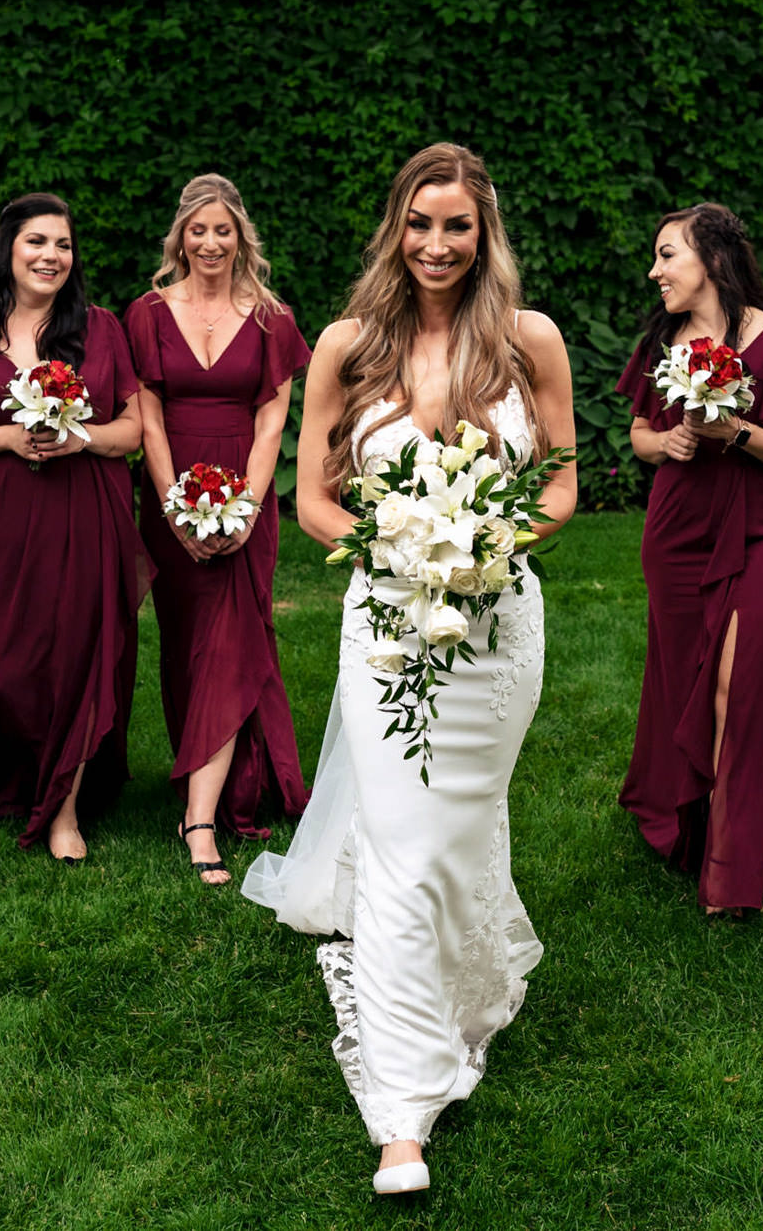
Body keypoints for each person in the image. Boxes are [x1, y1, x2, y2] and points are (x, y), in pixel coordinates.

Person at [242, 143, 576, 1195]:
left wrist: (490, 546)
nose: (437, 245)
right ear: (395, 228)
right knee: (397, 843)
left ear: (485, 235)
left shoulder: (529, 341)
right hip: (387, 620)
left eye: (458, 226)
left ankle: (463, 988)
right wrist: (399, 548)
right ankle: (400, 1112)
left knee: (458, 829)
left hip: (496, 629)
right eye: (420, 224)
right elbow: (313, 502)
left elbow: (561, 488)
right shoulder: (347, 343)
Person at [0, 193, 147, 864]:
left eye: (63, 245)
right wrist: (7, 438)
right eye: (36, 243)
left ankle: (64, 808)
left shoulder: (100, 330)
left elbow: (130, 429)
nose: (51, 257)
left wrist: (81, 440)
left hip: (81, 514)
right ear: (8, 250)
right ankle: (7, 773)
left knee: (76, 652)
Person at [617, 203, 763, 917]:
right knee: (683, 679)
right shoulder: (662, 341)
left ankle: (732, 871)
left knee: (739, 687)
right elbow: (640, 431)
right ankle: (680, 810)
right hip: (677, 530)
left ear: (709, 258)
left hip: (761, 529)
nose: (655, 271)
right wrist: (665, 444)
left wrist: (734, 434)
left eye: (666, 254)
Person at [124, 174, 311, 885]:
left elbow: (271, 421)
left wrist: (249, 507)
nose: (209, 243)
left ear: (241, 237)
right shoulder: (146, 314)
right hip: (171, 493)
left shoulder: (271, 318)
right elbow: (146, 416)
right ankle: (223, 785)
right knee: (187, 649)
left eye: (222, 230)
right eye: (197, 231)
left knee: (234, 641)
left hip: (244, 493)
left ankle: (200, 819)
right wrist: (176, 508)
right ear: (180, 238)